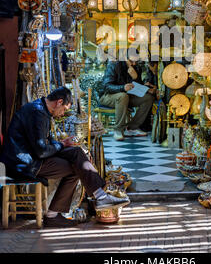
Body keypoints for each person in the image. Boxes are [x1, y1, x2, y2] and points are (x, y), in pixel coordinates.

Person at [0, 87, 130, 228]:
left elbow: (45, 144)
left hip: (33, 156)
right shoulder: (37, 113)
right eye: (64, 109)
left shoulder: (41, 110)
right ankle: (58, 213)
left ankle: (100, 196)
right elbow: (42, 151)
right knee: (77, 168)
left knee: (76, 152)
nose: (62, 114)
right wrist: (62, 145)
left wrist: (63, 144)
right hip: (25, 163)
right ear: (59, 102)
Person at [98, 57, 155, 141]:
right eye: (132, 61)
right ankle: (118, 130)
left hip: (127, 96)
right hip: (108, 96)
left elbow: (138, 86)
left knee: (148, 98)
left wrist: (136, 78)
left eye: (136, 61)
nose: (134, 64)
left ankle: (132, 127)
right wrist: (123, 88)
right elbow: (107, 86)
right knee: (123, 96)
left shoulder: (136, 67)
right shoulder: (114, 65)